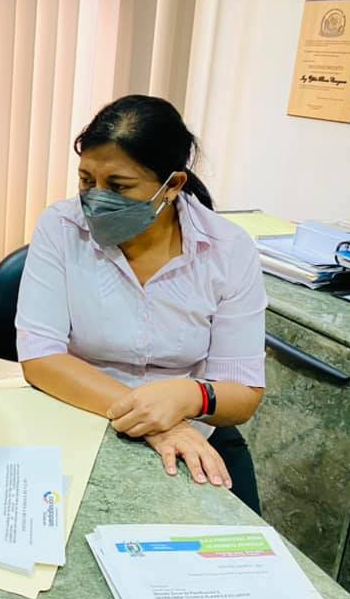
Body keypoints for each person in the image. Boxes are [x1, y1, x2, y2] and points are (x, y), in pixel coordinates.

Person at [15, 95, 265, 514]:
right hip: (79, 413)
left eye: (119, 186)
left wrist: (189, 396)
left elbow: (242, 393)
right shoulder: (61, 227)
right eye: (86, 180)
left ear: (173, 185)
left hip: (193, 431)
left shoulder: (228, 249)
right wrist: (155, 424)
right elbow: (41, 358)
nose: (96, 198)